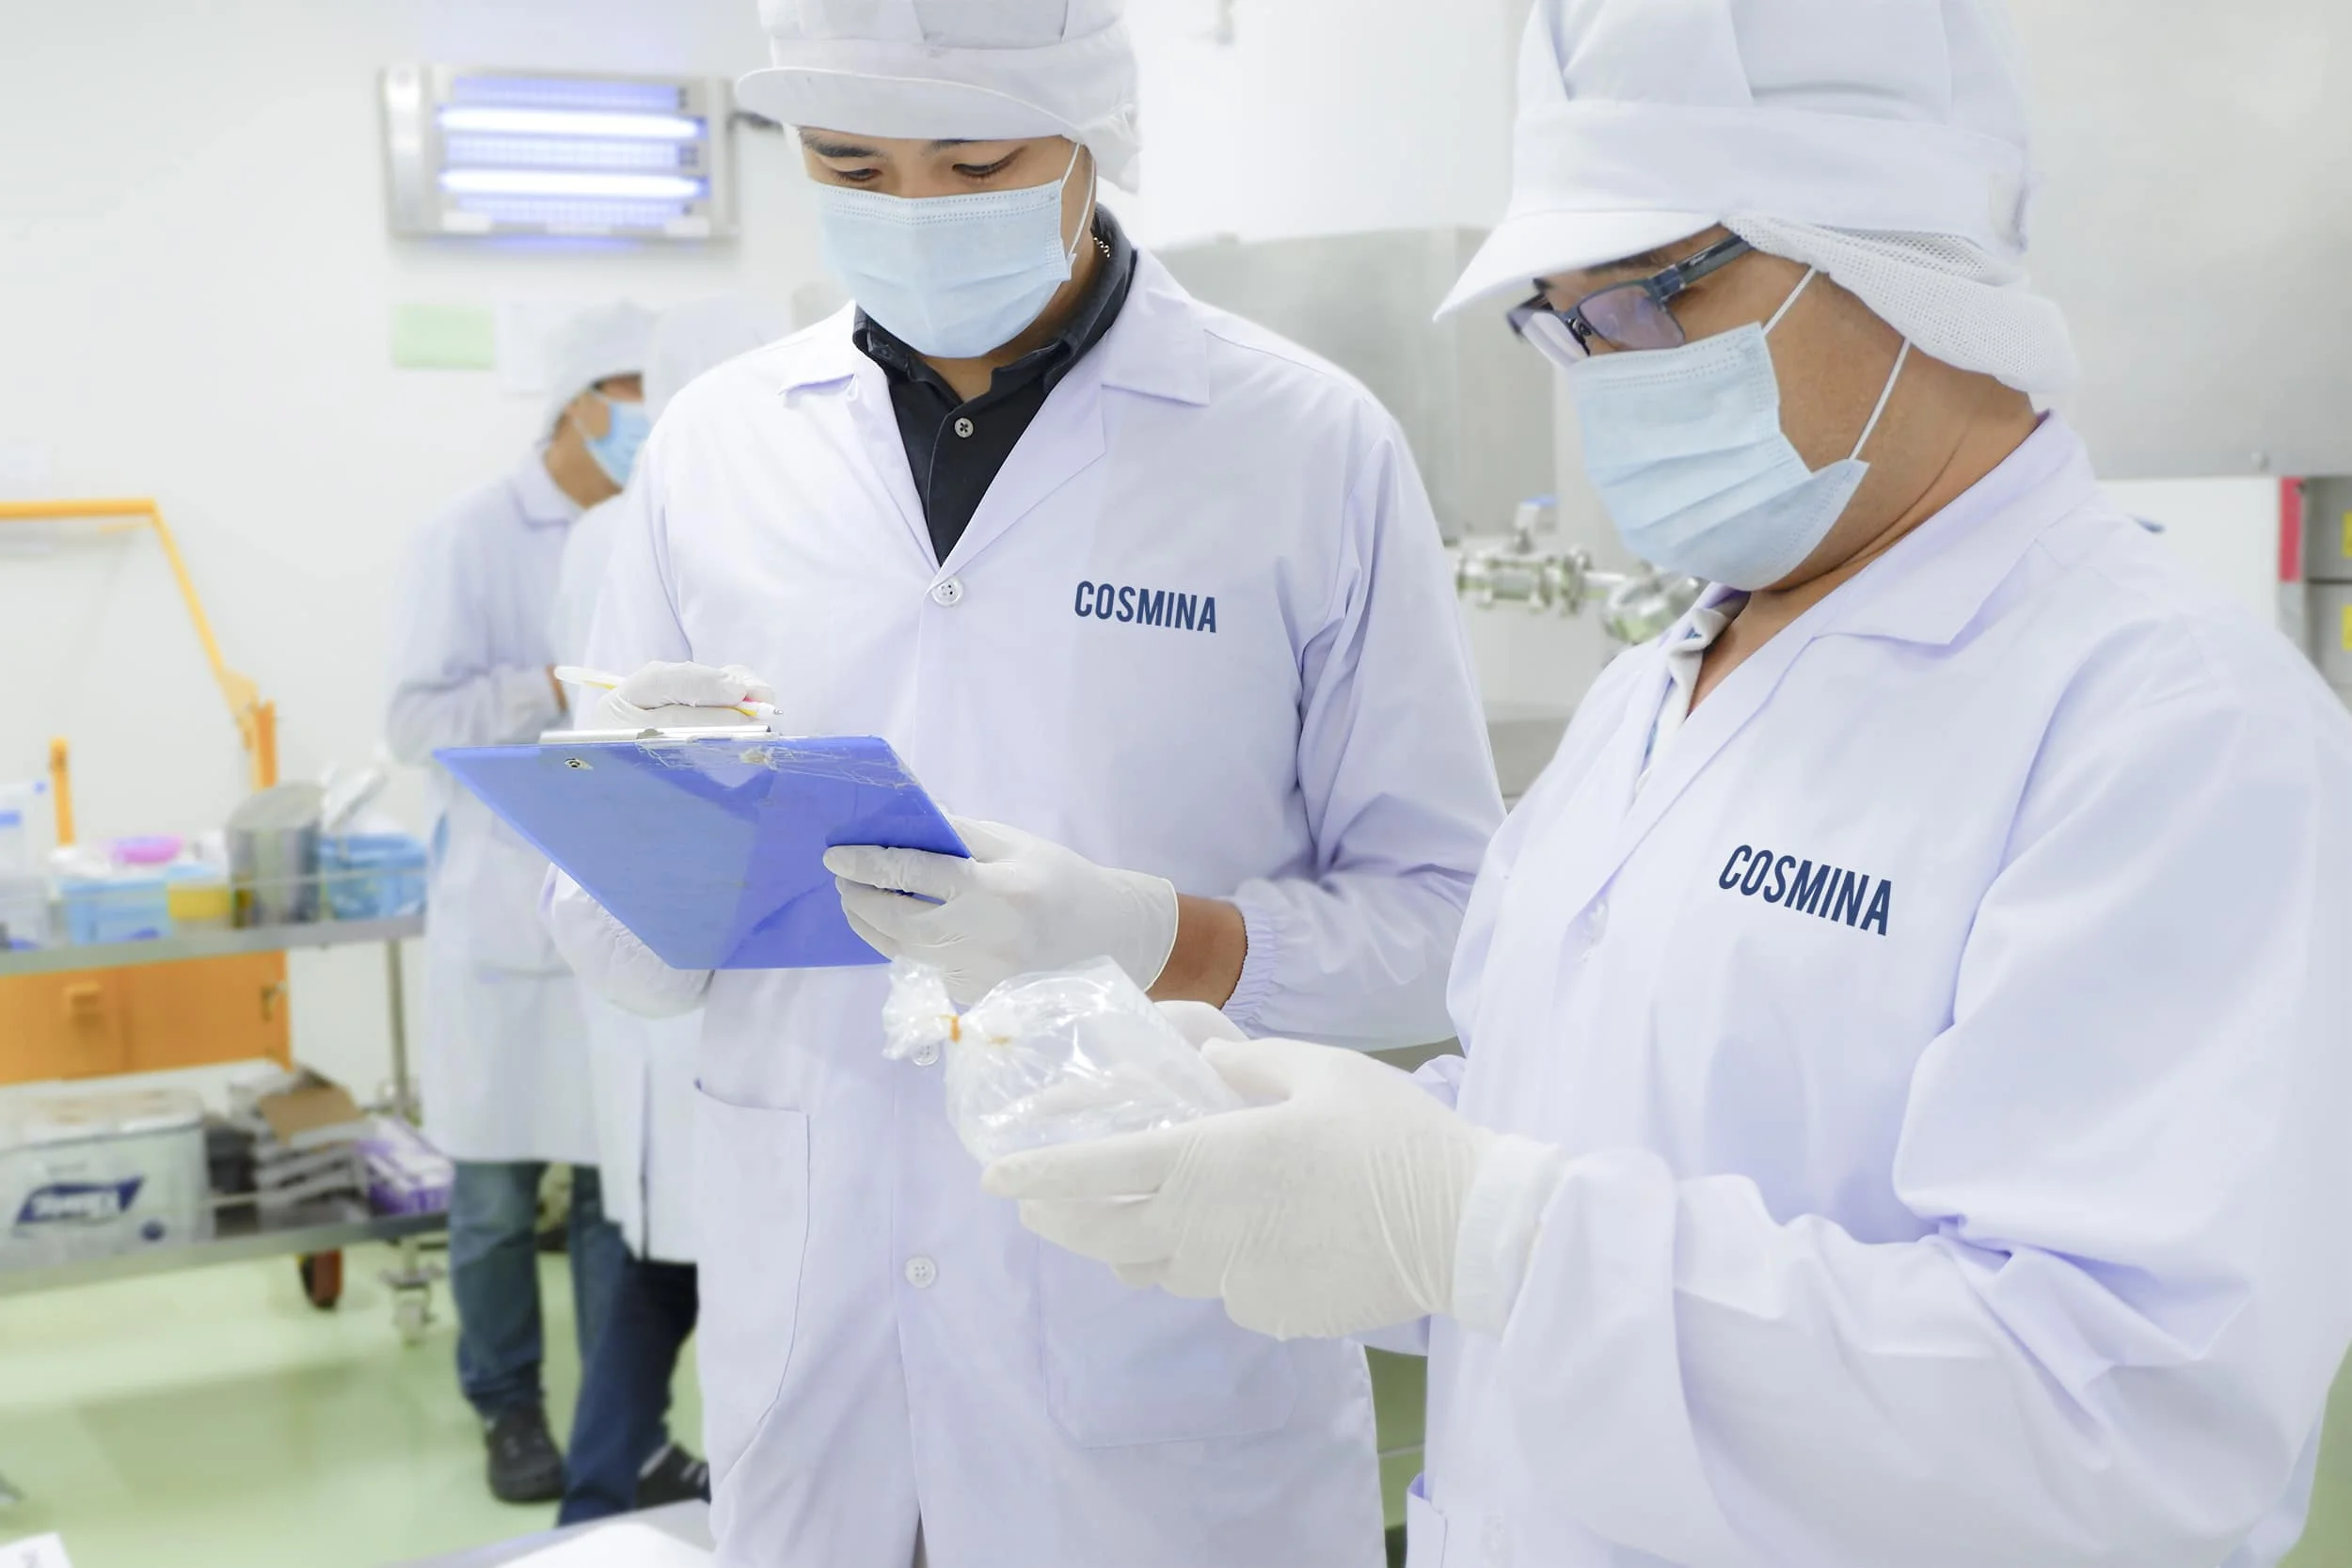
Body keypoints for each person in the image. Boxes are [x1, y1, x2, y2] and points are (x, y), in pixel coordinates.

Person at [986, 4, 2352, 1565]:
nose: (1601, 373)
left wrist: (1483, 1227)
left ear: (1889, 246)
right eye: (1561, 323)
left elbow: (2120, 1424)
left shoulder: (2168, 730)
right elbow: (1559, 1129)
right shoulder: (1657, 691)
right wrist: (1292, 1144)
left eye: (1646, 296)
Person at [542, 1, 1504, 1563]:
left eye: (975, 163)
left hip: (1163, 1356)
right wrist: (651, 827)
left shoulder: (1304, 442)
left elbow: (1450, 914)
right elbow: (615, 955)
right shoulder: (717, 447)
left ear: (1090, 143)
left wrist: (1156, 934)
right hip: (821, 1349)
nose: (915, 209)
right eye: (852, 165)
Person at [386, 303, 651, 1504]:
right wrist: (549, 685)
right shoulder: (468, 533)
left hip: (616, 905)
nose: (650, 419)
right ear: (578, 401)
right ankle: (506, 1405)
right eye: (635, 393)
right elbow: (414, 722)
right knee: (494, 1195)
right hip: (499, 910)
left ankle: (609, 1424)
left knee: (608, 1190)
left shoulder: (650, 522)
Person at [547, 295, 787, 1526]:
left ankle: (619, 1478)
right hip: (677, 937)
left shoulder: (749, 518)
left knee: (674, 1257)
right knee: (668, 1260)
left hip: (732, 951)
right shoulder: (632, 530)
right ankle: (605, 1492)